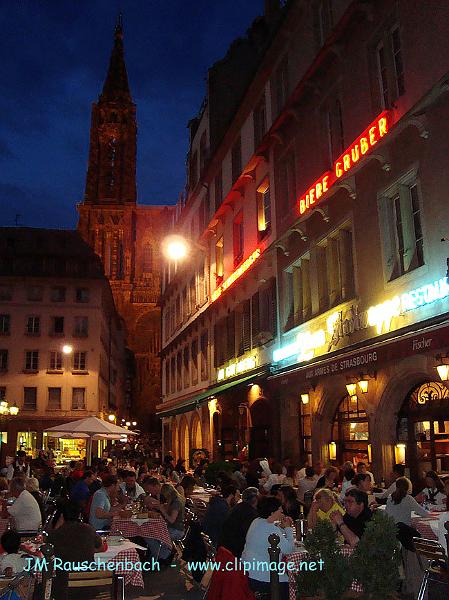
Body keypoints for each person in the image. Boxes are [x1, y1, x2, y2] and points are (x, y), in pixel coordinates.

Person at [241, 496, 295, 600]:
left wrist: (282, 528)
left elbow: (269, 534)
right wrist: (288, 529)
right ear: (272, 512)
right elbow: (288, 549)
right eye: (280, 509)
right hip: (264, 579)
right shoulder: (270, 529)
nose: (282, 511)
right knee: (291, 582)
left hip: (249, 572)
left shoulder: (257, 521)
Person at [48, 500, 104, 599]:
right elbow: (101, 547)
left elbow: (48, 541)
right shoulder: (89, 529)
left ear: (63, 515)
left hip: (64, 586)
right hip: (89, 585)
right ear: (79, 515)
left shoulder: (58, 533)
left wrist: (59, 523)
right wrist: (87, 548)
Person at [145, 483, 184, 560]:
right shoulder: (172, 500)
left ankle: (164, 555)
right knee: (150, 533)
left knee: (152, 536)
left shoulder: (176, 503)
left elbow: (171, 520)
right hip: (170, 527)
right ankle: (161, 554)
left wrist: (162, 510)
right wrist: (161, 507)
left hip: (176, 530)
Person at [217, 487, 258, 559]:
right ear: (255, 500)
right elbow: (249, 536)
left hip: (225, 546)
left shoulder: (237, 507)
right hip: (236, 552)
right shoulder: (250, 513)